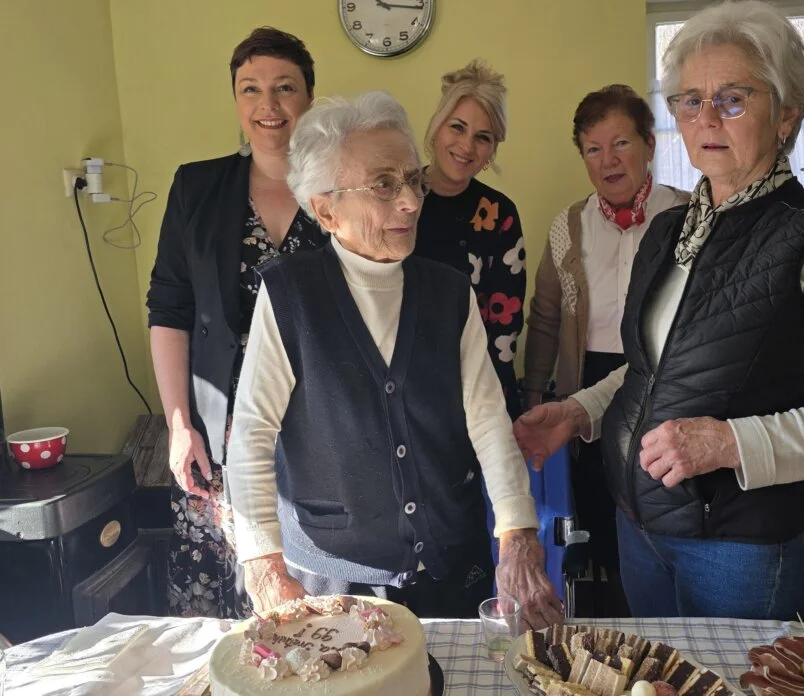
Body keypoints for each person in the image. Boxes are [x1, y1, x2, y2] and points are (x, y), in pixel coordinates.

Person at [514, 0, 804, 620]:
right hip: (640, 522)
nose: (707, 119)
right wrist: (578, 411)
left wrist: (730, 443)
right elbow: (652, 369)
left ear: (787, 113)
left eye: (733, 99)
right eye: (690, 101)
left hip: (741, 546)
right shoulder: (670, 230)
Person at [223, 92, 563, 628]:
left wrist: (518, 534)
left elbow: (487, 420)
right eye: (384, 184)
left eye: (412, 180)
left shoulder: (449, 292)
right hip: (335, 575)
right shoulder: (291, 294)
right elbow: (252, 432)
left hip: (450, 564)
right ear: (326, 210)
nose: (410, 201)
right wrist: (263, 565)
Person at [146, 27, 325, 619]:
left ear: (309, 98)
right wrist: (179, 425)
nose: (267, 105)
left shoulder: (340, 189)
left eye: (284, 87)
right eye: (250, 89)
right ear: (236, 100)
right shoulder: (196, 188)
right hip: (219, 434)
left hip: (320, 431)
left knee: (314, 610)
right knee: (223, 611)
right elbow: (169, 310)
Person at [522, 84, 689, 617]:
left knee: (661, 508)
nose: (608, 160)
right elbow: (545, 317)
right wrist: (534, 394)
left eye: (621, 144)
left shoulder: (688, 215)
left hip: (667, 382)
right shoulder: (569, 225)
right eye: (593, 149)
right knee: (599, 519)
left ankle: (663, 615)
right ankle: (613, 620)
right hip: (589, 384)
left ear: (649, 145)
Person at [414, 60, 526, 419]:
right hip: (402, 391)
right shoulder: (397, 199)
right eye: (457, 127)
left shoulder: (499, 214)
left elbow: (505, 328)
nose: (466, 146)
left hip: (475, 397)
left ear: (492, 149)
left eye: (483, 137)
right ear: (437, 127)